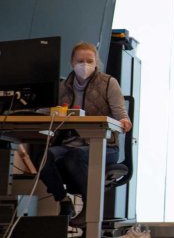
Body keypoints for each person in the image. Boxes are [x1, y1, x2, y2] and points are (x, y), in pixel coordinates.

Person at [39, 42, 132, 228]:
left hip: (105, 146)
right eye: (80, 60)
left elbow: (121, 114)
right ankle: (64, 201)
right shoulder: (63, 86)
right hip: (70, 144)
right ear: (72, 62)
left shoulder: (108, 83)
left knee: (75, 157)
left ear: (96, 62)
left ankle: (90, 208)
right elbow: (54, 112)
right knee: (43, 156)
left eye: (89, 61)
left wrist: (124, 121)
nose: (85, 65)